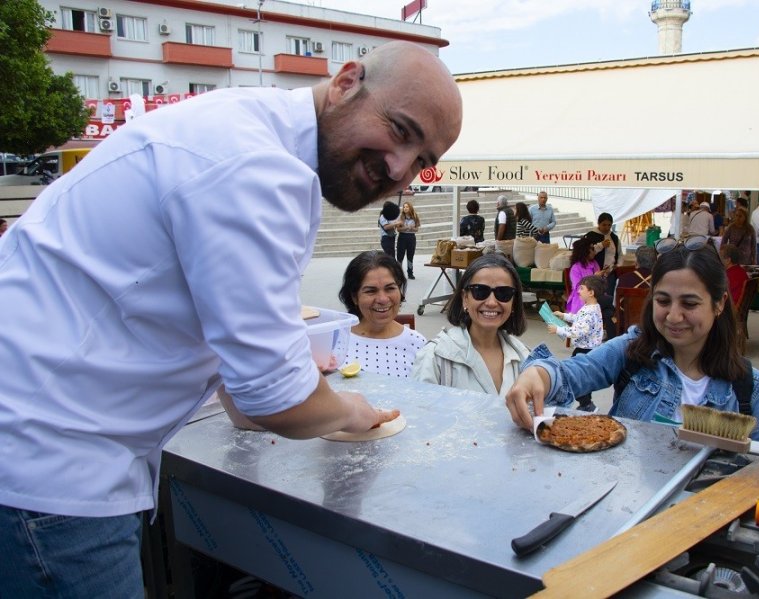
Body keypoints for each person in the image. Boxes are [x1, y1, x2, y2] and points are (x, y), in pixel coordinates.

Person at [0, 41, 462, 596]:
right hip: (45, 467)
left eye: (420, 161)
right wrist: (348, 409)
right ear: (346, 81)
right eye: (400, 130)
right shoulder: (257, 167)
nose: (397, 167)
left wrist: (281, 380)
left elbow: (241, 381)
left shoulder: (246, 131)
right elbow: (275, 400)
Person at [505, 237, 759, 442]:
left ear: (719, 304)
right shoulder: (631, 351)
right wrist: (537, 375)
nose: (673, 316)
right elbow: (574, 372)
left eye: (690, 304)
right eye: (663, 300)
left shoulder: (751, 390)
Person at [412, 254, 529, 395]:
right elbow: (419, 412)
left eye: (503, 293)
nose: (491, 302)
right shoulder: (436, 356)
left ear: (514, 302)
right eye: (480, 291)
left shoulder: (525, 357)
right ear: (465, 298)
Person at [339, 250, 426, 378]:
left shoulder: (418, 344)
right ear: (354, 297)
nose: (383, 299)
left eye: (390, 288)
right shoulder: (334, 341)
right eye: (371, 291)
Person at [548, 274, 606, 412]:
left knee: (578, 377)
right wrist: (564, 315)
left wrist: (558, 330)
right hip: (588, 350)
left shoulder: (589, 311)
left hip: (584, 351)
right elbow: (578, 318)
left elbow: (578, 331)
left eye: (581, 288)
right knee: (582, 376)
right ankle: (586, 403)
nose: (578, 291)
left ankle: (587, 405)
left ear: (591, 293)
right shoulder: (592, 307)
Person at [583, 212, 621, 290]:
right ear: (598, 223)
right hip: (594, 274)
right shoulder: (590, 236)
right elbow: (585, 253)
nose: (607, 228)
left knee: (609, 297)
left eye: (609, 225)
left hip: (610, 274)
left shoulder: (614, 237)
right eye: (604, 225)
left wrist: (618, 265)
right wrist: (601, 246)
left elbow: (620, 254)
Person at [565, 237, 601, 313]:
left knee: (609, 306)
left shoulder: (594, 263)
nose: (594, 251)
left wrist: (602, 276)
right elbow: (579, 288)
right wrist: (595, 278)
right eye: (592, 249)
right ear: (585, 251)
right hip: (582, 298)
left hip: (595, 295)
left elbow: (601, 284)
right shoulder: (576, 268)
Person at [720, 243, 750, 308]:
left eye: (720, 258)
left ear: (728, 260)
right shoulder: (742, 271)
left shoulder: (728, 275)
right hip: (737, 308)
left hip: (728, 309)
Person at [396, 200, 420, 279]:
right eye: (404, 207)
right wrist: (406, 227)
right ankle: (399, 274)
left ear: (410, 208)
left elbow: (417, 229)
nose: (405, 208)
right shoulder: (401, 217)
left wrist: (412, 228)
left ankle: (410, 272)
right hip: (402, 237)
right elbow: (398, 229)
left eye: (407, 207)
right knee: (400, 256)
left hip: (411, 238)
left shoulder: (415, 216)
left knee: (410, 256)